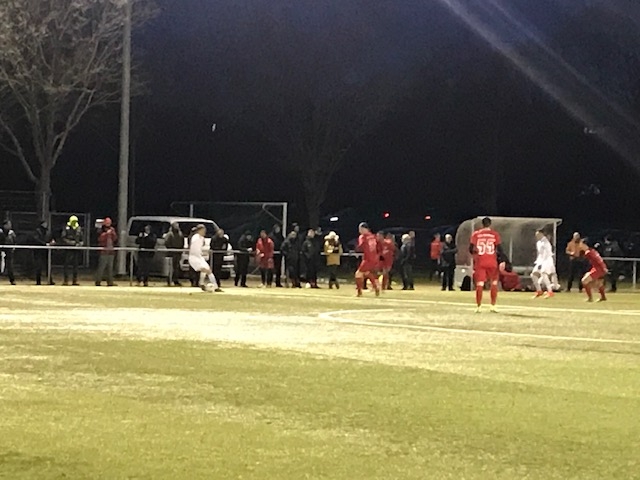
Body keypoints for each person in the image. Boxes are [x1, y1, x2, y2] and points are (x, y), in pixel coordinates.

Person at [469, 217, 503, 313]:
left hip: (480, 261)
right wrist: (502, 260)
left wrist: (476, 255)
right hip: (492, 261)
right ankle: (493, 305)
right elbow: (499, 248)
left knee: (480, 284)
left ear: (482, 224)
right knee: (494, 283)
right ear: (490, 224)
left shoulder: (476, 234)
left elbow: (471, 248)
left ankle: (479, 306)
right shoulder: (494, 234)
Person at [189, 224, 221, 292]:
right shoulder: (196, 237)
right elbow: (193, 247)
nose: (205, 232)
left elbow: (202, 245)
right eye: (203, 230)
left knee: (208, 270)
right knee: (206, 270)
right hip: (194, 258)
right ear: (199, 230)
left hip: (199, 257)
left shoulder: (201, 238)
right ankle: (213, 286)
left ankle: (203, 284)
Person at [354, 222, 380, 296]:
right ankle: (376, 287)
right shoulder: (373, 236)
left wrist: (356, 250)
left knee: (358, 274)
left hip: (367, 259)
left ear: (364, 229)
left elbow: (360, 246)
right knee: (367, 273)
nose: (359, 230)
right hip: (374, 258)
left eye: (360, 229)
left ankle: (359, 292)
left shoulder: (362, 237)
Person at [531, 230, 556, 299]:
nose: (537, 236)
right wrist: (538, 262)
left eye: (538, 234)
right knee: (533, 275)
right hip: (541, 261)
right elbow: (540, 254)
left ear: (542, 234)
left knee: (543, 274)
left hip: (547, 260)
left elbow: (547, 253)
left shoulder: (546, 242)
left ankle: (550, 292)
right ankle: (539, 291)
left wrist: (541, 263)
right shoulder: (538, 243)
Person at [61, 215, 83, 285]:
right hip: (68, 249)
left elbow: (82, 239)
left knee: (76, 265)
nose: (74, 222)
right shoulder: (66, 228)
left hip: (76, 249)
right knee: (66, 264)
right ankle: (66, 280)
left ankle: (75, 280)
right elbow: (63, 238)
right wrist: (71, 243)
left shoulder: (78, 228)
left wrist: (80, 244)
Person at [95, 217, 117, 286]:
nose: (108, 224)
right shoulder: (101, 230)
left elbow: (115, 239)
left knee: (110, 267)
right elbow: (99, 239)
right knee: (101, 267)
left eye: (109, 222)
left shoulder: (112, 229)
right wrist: (106, 234)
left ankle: (110, 282)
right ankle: (98, 281)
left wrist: (112, 233)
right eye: (107, 222)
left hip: (111, 251)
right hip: (103, 251)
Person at [33, 220, 55, 285]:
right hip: (38, 251)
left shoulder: (48, 231)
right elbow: (36, 239)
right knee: (38, 266)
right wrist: (45, 244)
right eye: (44, 223)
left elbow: (51, 238)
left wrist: (52, 242)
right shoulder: (37, 231)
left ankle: (50, 280)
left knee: (48, 266)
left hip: (46, 251)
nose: (45, 224)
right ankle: (38, 281)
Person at [164, 222, 184, 286]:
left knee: (176, 268)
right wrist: (170, 249)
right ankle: (169, 280)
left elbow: (182, 242)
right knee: (170, 268)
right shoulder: (170, 234)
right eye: (175, 225)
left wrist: (181, 250)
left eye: (177, 225)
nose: (177, 227)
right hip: (171, 253)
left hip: (178, 253)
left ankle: (175, 280)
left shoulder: (180, 234)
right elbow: (166, 242)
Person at [0, 220, 16, 285]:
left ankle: (12, 280)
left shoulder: (12, 233)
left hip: (9, 251)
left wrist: (13, 247)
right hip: (1, 250)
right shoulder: (0, 232)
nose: (10, 225)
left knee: (10, 266)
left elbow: (14, 241)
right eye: (8, 224)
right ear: (5, 225)